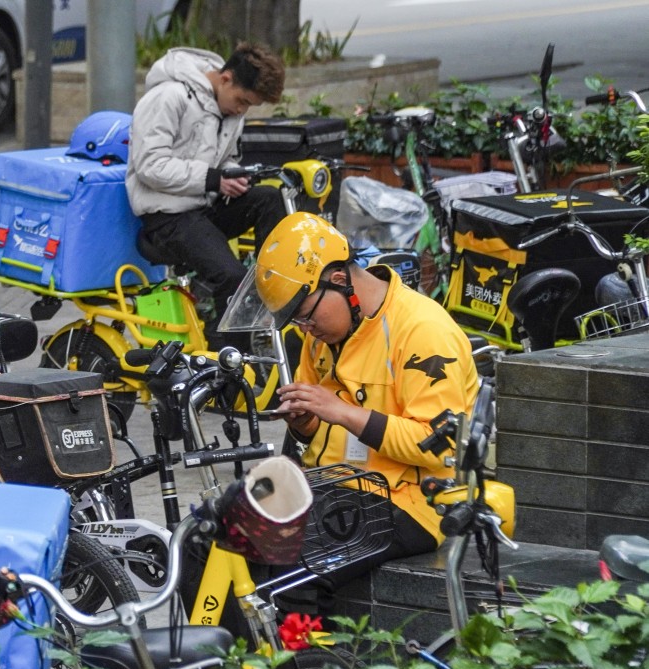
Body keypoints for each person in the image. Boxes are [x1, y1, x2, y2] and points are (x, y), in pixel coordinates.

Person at [258, 211, 479, 600]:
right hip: (338, 486)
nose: (305, 330)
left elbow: (441, 442)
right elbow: (323, 432)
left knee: (289, 569)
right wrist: (305, 423)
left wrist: (343, 412)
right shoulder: (322, 335)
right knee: (219, 540)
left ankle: (302, 660)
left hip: (418, 501)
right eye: (296, 322)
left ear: (340, 279)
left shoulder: (423, 328)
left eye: (306, 316)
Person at [126, 42, 288, 349]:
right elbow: (149, 166)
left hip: (203, 206)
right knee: (232, 278)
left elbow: (223, 161)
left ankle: (271, 288)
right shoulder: (168, 97)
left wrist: (233, 174)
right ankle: (225, 369)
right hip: (166, 218)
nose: (242, 110)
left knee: (269, 198)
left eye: (249, 106)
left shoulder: (230, 109)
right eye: (241, 101)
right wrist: (214, 179)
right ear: (225, 78)